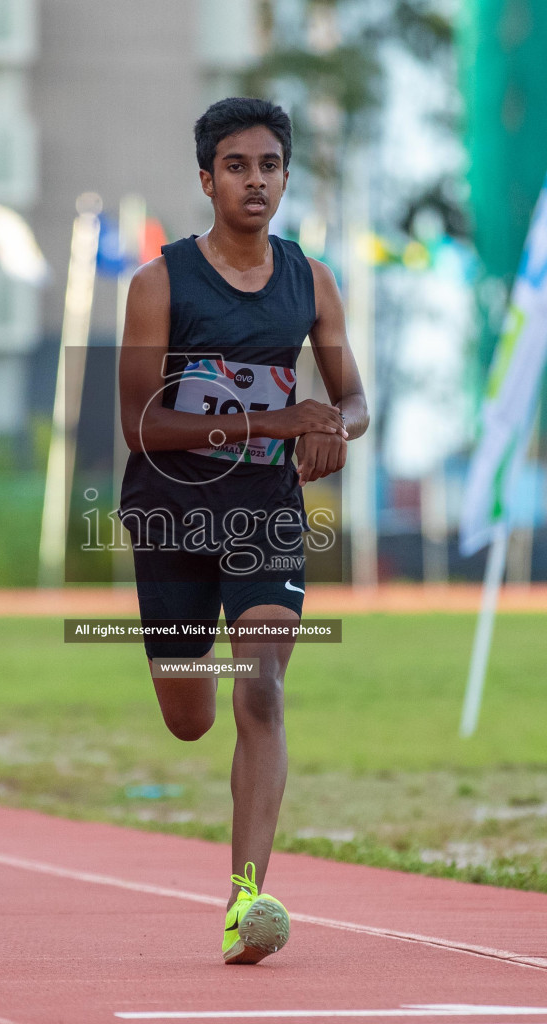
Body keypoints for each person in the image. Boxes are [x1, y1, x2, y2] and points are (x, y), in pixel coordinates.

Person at [117, 97, 368, 963]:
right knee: (190, 717)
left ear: (285, 176)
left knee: (260, 687)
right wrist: (272, 423)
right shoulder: (159, 285)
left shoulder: (313, 280)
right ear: (206, 179)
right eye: (236, 166)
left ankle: (246, 902)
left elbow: (353, 397)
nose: (254, 180)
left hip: (264, 513)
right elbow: (141, 425)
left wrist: (336, 426)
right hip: (172, 511)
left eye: (268, 166)